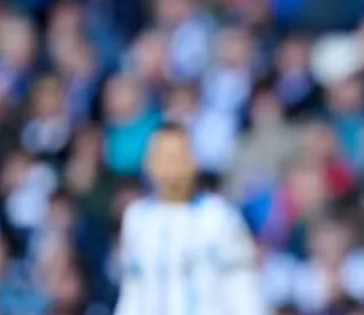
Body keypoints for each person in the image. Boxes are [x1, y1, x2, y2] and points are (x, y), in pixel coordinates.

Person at [114, 123, 266, 315]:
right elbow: (132, 291)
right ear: (149, 163)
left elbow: (243, 288)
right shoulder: (136, 219)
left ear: (194, 161)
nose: (172, 167)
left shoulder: (219, 216)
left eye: (178, 156)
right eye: (164, 157)